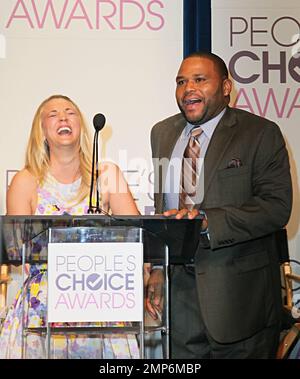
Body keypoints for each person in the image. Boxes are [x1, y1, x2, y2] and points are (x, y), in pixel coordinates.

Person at [147, 52, 292, 358]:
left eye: (200, 80)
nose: (189, 89)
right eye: (181, 81)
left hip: (240, 297)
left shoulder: (260, 133)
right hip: (179, 295)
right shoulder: (162, 133)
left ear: (226, 87)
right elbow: (164, 207)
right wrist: (158, 270)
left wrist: (210, 221)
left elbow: (277, 207)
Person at [0, 94, 141, 359]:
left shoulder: (107, 175)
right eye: (53, 114)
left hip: (101, 301)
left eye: (70, 112)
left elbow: (140, 240)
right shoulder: (25, 181)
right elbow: (15, 251)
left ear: (82, 127)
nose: (63, 117)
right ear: (40, 131)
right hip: (43, 307)